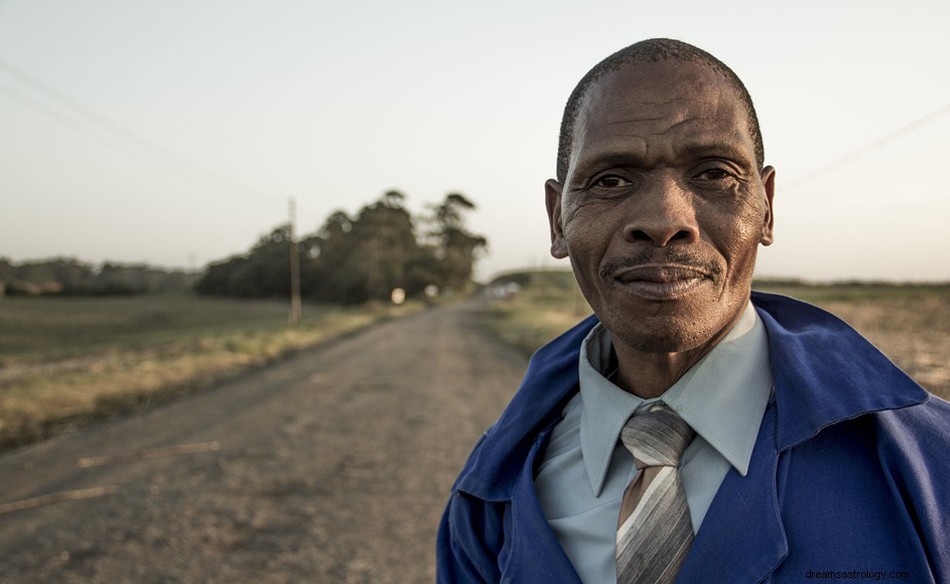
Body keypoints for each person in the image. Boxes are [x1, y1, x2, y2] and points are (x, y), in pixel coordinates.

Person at [436, 38, 950, 583]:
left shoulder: (929, 468)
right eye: (611, 180)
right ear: (558, 220)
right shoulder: (491, 494)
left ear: (766, 208)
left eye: (713, 174)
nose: (664, 219)